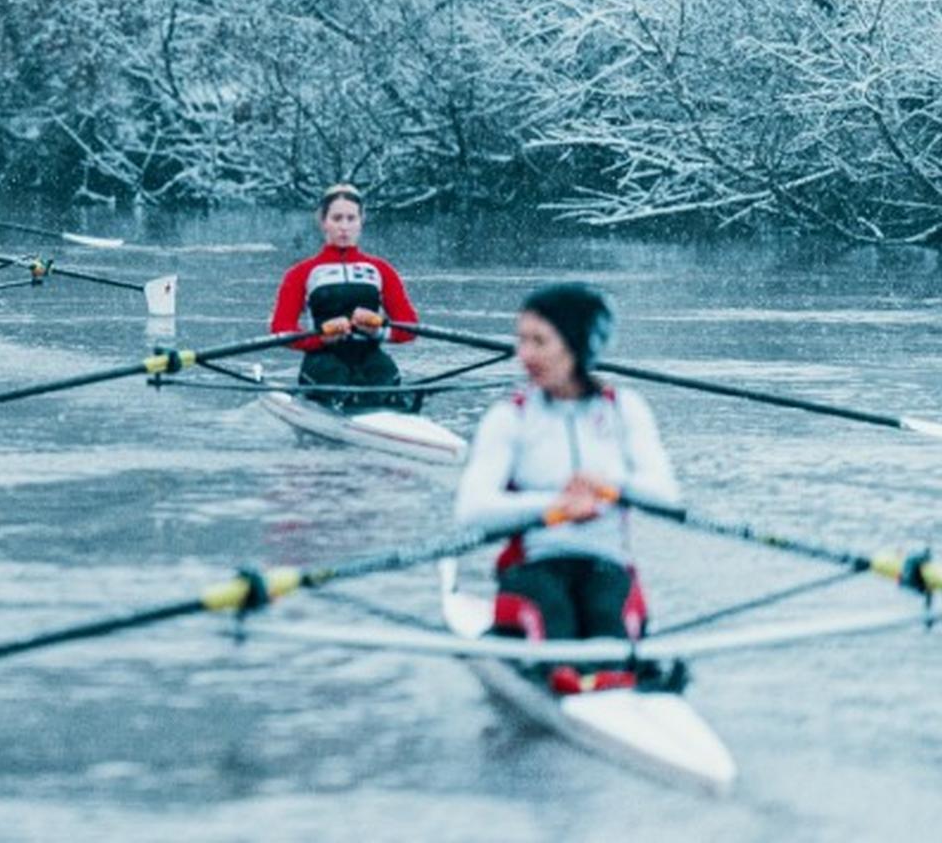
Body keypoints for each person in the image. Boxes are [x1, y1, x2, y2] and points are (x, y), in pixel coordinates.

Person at [454, 283, 682, 689]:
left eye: (539, 341)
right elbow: (472, 511)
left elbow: (666, 496)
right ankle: (567, 674)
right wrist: (554, 507)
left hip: (606, 564)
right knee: (555, 619)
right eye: (520, 340)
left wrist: (611, 486)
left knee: (609, 621)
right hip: (534, 567)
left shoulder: (623, 408)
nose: (523, 355)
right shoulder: (510, 418)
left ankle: (609, 677)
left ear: (576, 345)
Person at [267, 183, 418, 410]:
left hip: (369, 356)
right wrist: (321, 338)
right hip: (322, 359)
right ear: (323, 222)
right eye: (337, 219)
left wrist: (378, 330)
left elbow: (410, 329)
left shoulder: (381, 270)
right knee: (336, 378)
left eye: (351, 218)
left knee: (385, 377)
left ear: (361, 221)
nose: (344, 227)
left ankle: (388, 411)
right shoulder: (300, 273)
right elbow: (281, 329)